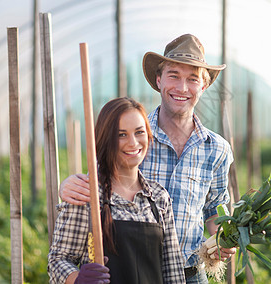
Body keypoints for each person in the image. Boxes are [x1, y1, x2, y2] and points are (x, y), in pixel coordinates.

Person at [59, 34, 236, 283]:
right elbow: (101, 183)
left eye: (192, 79)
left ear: (203, 87)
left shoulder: (217, 149)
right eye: (173, 75)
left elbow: (215, 207)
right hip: (133, 269)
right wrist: (68, 185)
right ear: (158, 79)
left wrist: (225, 238)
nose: (182, 88)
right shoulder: (135, 140)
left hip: (190, 273)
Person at [48, 97, 185, 284]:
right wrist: (78, 279)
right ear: (106, 138)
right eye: (121, 135)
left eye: (139, 132)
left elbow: (172, 270)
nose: (133, 142)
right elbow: (58, 260)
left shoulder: (159, 197)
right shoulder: (87, 194)